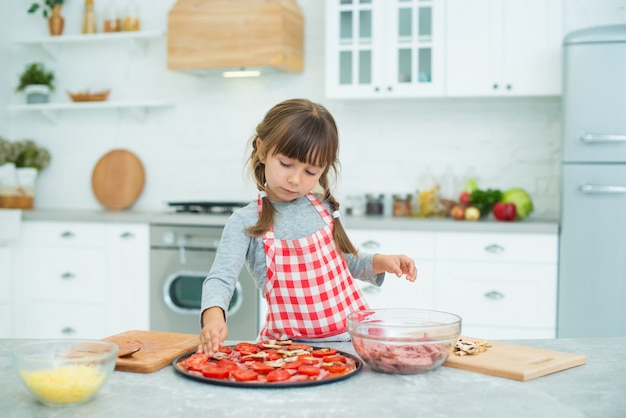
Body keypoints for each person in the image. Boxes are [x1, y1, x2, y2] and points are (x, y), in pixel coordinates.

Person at [198, 98, 417, 355]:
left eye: (310, 172)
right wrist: (213, 318)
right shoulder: (246, 222)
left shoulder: (323, 207)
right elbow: (220, 280)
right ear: (262, 150)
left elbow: (343, 263)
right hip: (289, 352)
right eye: (286, 164)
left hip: (352, 342)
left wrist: (382, 261)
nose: (294, 179)